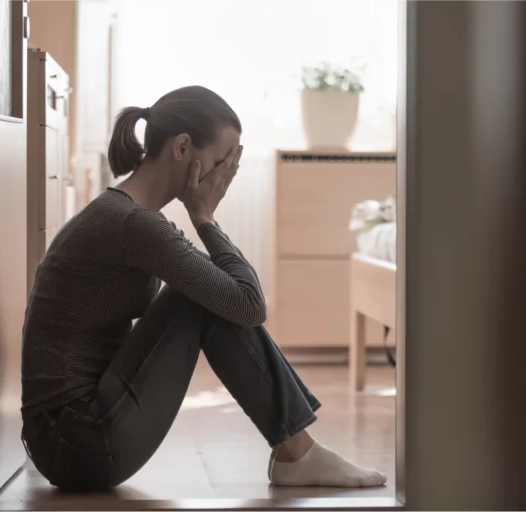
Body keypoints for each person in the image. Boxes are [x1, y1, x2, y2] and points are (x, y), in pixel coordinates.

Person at [20, 85, 387, 492]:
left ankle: (297, 451)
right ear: (182, 149)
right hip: (76, 443)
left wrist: (203, 217)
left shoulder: (130, 216)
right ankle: (297, 452)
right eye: (219, 161)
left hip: (69, 439)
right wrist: (204, 215)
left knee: (207, 292)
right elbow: (249, 305)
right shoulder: (131, 224)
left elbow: (238, 299)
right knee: (199, 298)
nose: (222, 175)